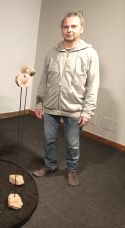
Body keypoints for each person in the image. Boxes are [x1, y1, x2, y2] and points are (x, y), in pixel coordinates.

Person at [33, 12, 99, 186]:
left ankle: (71, 170)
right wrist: (39, 102)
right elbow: (43, 80)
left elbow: (93, 85)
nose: (69, 30)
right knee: (49, 140)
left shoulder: (90, 54)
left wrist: (87, 111)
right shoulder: (51, 53)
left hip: (75, 109)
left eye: (73, 26)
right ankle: (50, 165)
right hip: (51, 107)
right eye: (66, 26)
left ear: (81, 28)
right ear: (62, 29)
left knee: (72, 144)